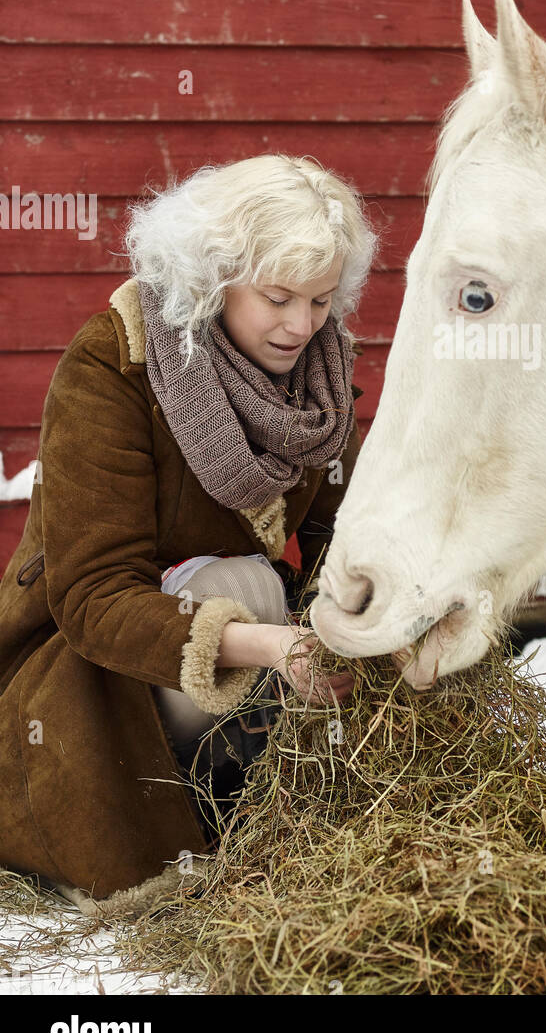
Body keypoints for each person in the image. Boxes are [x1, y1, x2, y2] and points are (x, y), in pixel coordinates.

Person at [0, 152, 377, 916]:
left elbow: (341, 534)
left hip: (261, 657)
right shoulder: (116, 364)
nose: (302, 324)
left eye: (320, 299)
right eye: (277, 297)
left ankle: (267, 804)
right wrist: (275, 646)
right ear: (213, 276)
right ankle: (199, 809)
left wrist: (349, 623)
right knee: (239, 584)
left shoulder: (320, 380)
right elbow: (92, 596)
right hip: (94, 672)